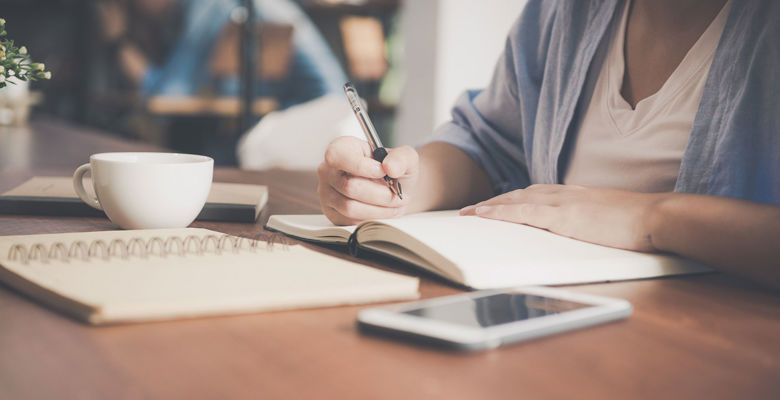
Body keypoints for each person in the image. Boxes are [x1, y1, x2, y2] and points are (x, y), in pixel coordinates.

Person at [317, 0, 780, 288]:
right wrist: (406, 186)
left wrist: (650, 218)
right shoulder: (563, 12)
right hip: (549, 316)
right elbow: (490, 144)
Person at [96, 0, 346, 109]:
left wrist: (117, 39)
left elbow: (167, 94)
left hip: (320, 117)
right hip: (323, 112)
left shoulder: (209, 5)